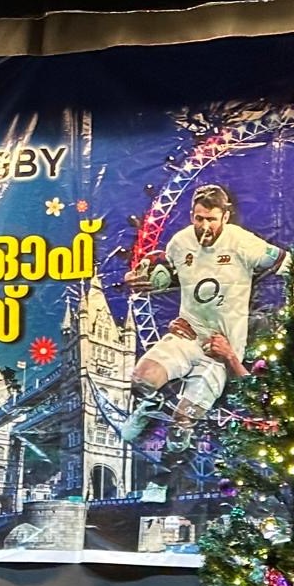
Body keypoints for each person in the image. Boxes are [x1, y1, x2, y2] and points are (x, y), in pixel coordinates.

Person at [121, 183, 290, 452]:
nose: (205, 226)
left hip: (220, 350)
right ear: (192, 215)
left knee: (180, 430)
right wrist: (142, 280)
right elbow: (171, 276)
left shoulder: (243, 242)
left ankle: (181, 425)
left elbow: (286, 263)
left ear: (226, 216)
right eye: (199, 219)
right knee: (141, 380)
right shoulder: (180, 243)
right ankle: (149, 405)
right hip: (187, 335)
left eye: (211, 219)